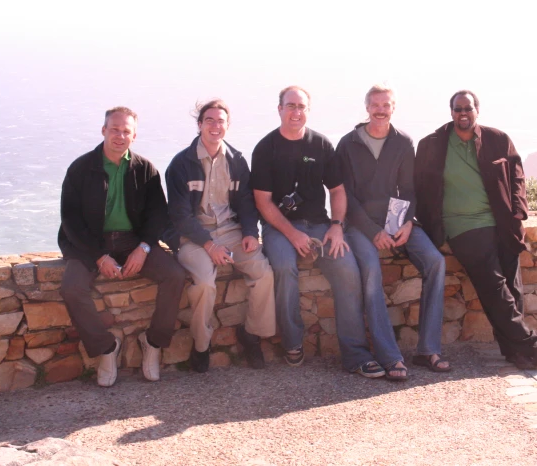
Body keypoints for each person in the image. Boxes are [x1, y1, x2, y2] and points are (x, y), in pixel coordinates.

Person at [251, 86, 400, 380]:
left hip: (320, 225)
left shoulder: (320, 144)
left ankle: (356, 354)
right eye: (290, 106)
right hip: (279, 227)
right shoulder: (265, 148)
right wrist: (293, 235)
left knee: (347, 267)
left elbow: (337, 190)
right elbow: (263, 202)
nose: (296, 112)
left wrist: (336, 226)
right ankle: (292, 342)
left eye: (301, 106)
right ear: (279, 109)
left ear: (308, 110)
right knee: (283, 266)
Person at [414, 90, 537, 370]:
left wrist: (518, 211)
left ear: (477, 110)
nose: (463, 113)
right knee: (494, 284)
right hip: (461, 224)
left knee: (511, 287)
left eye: (468, 108)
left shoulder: (498, 140)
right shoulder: (432, 145)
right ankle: (528, 342)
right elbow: (419, 186)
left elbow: (517, 176)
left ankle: (515, 353)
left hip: (501, 221)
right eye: (457, 109)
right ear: (451, 112)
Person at [58, 107, 185, 386]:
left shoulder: (145, 169)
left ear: (134, 136)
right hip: (90, 243)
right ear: (103, 130)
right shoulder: (81, 168)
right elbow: (70, 219)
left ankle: (152, 343)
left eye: (126, 131)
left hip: (132, 241)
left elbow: (157, 214)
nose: (120, 135)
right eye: (114, 129)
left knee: (175, 275)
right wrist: (98, 255)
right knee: (71, 287)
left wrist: (144, 247)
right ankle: (106, 348)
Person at [336, 84, 448, 375]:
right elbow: (345, 196)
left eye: (386, 105)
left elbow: (409, 190)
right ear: (367, 108)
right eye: (375, 105)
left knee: (436, 262)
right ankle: (389, 356)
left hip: (397, 221)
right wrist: (374, 231)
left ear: (393, 108)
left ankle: (428, 350)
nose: (381, 110)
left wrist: (408, 222)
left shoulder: (403, 142)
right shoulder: (348, 144)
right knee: (372, 270)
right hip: (359, 226)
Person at [165, 99, 276, 372]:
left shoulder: (237, 161)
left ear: (228, 125)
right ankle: (201, 346)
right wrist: (209, 244)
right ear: (200, 124)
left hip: (231, 232)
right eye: (210, 120)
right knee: (204, 283)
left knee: (264, 273)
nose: (216, 126)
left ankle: (251, 335)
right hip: (194, 237)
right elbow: (180, 216)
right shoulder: (181, 164)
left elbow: (247, 203)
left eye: (221, 121)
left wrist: (250, 232)